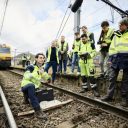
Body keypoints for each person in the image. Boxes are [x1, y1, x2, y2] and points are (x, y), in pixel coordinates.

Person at [101, 18, 128, 107]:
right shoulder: (116, 35)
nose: (119, 26)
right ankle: (109, 96)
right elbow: (112, 47)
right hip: (115, 59)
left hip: (126, 59)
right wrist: (109, 60)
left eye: (121, 24)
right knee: (111, 78)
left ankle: (124, 98)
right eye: (119, 24)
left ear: (126, 25)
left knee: (125, 80)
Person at [21, 53, 51, 119]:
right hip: (25, 86)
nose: (42, 59)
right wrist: (37, 73)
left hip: (34, 88)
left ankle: (26, 98)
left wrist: (48, 79)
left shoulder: (41, 68)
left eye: (43, 58)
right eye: (40, 58)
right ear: (36, 59)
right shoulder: (31, 67)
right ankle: (38, 111)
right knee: (31, 86)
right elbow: (26, 76)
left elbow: (44, 75)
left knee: (35, 91)